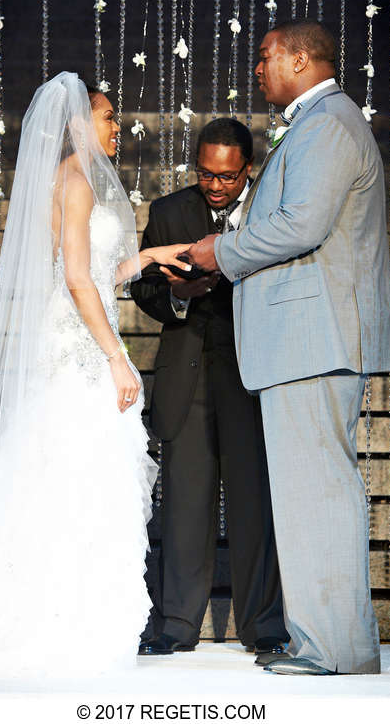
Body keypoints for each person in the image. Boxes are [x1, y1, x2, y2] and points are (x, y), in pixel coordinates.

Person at [0, 73, 192, 692]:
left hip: (85, 330)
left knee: (78, 465)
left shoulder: (86, 183)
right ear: (78, 123)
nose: (116, 127)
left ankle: (78, 601)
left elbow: (103, 271)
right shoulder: (75, 180)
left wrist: (153, 257)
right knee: (73, 460)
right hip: (78, 343)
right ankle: (55, 610)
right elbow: (77, 280)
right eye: (107, 118)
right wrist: (115, 357)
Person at [188, 21, 390, 676]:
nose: (258, 69)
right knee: (312, 494)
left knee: (319, 494)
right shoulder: (316, 123)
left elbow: (303, 224)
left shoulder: (329, 123)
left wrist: (220, 252)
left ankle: (333, 648)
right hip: (305, 338)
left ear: (301, 59)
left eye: (265, 57)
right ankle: (327, 642)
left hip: (316, 337)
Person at [131, 118, 288, 658]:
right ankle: (175, 624)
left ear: (247, 169)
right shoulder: (169, 211)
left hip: (253, 373)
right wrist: (183, 295)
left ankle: (264, 626)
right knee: (185, 505)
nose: (215, 185)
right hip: (189, 369)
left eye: (227, 176)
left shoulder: (273, 209)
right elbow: (144, 289)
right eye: (205, 174)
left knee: (255, 505)